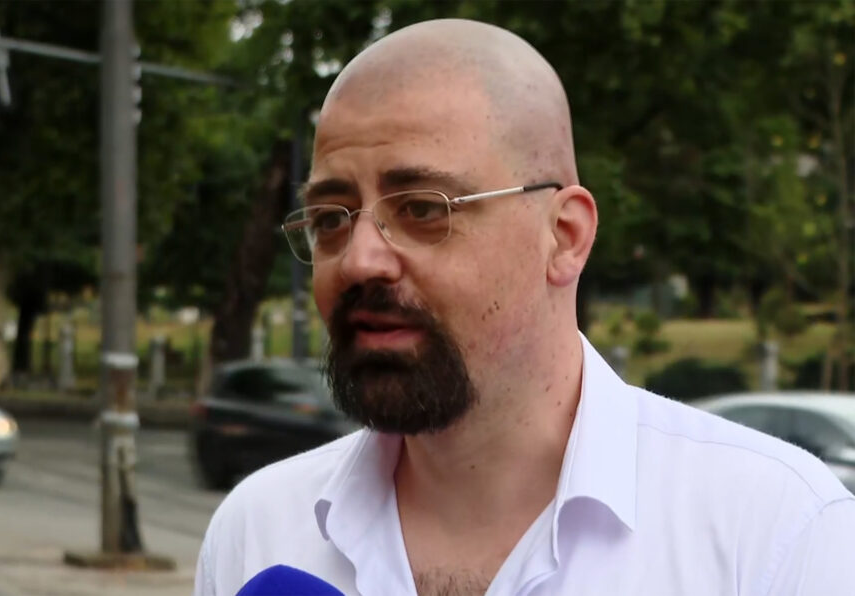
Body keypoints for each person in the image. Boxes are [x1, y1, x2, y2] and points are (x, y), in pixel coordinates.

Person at [194, 19, 855, 596]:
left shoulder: (773, 535)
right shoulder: (259, 532)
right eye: (330, 218)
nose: (360, 260)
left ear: (564, 237)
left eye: (423, 208)